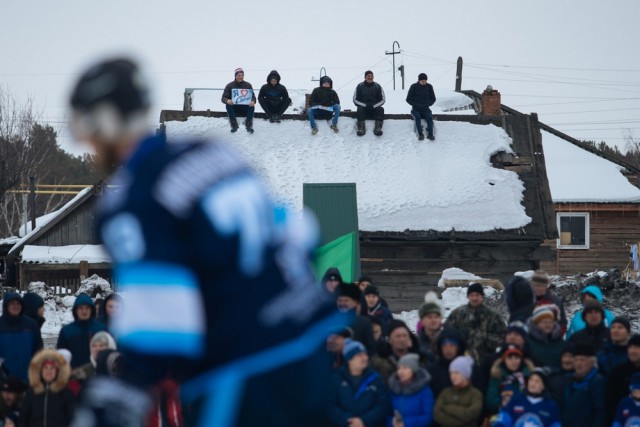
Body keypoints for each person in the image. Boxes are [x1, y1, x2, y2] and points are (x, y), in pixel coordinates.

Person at [68, 56, 340, 427]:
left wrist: (120, 393)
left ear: (104, 120)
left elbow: (161, 328)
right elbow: (303, 232)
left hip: (244, 366)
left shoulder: (134, 197)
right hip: (310, 341)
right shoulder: (214, 152)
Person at [327, 339, 390, 427]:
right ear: (349, 359)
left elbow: (383, 405)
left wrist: (363, 420)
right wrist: (349, 421)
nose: (365, 358)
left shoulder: (375, 378)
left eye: (365, 354)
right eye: (359, 355)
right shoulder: (336, 378)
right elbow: (330, 406)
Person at [444, 283, 506, 365]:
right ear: (468, 296)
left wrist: (483, 338)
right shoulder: (458, 314)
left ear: (482, 296)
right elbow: (447, 333)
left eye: (477, 295)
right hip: (461, 361)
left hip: (486, 361)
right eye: (471, 295)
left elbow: (502, 337)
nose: (474, 298)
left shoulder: (493, 316)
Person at [19, 349, 75, 427]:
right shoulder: (31, 393)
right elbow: (23, 418)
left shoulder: (66, 393)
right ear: (40, 371)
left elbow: (72, 419)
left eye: (52, 368)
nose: (48, 371)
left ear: (57, 371)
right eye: (45, 368)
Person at [492, 368, 561, 427]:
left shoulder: (551, 405)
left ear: (543, 386)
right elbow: (503, 420)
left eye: (537, 381)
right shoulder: (516, 399)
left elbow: (555, 424)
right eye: (531, 380)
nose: (533, 383)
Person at [560, 342, 606, 427]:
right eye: (576, 360)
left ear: (592, 362)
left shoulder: (597, 382)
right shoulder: (569, 380)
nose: (578, 363)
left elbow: (600, 412)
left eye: (582, 360)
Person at [56, 293, 107, 369]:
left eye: (87, 308)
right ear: (76, 310)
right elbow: (60, 356)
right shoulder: (67, 331)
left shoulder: (101, 329)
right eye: (81, 308)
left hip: (97, 374)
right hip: (73, 375)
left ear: (92, 310)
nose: (84, 311)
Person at [0, 292, 43, 382]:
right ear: (6, 306)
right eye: (12, 303)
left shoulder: (31, 325)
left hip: (28, 379)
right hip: (5, 382)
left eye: (18, 303)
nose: (16, 306)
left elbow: (38, 350)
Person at [433, 356, 483, 427]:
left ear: (466, 374)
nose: (453, 376)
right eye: (451, 373)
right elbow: (437, 414)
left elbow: (470, 415)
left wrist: (448, 408)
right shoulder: (445, 392)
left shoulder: (475, 394)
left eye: (457, 372)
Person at [387, 353, 435, 427]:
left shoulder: (424, 391)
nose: (401, 372)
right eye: (399, 368)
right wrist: (392, 422)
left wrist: (405, 423)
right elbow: (386, 413)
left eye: (405, 368)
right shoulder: (393, 389)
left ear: (413, 370)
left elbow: (428, 417)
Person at [485, 344, 535, 415]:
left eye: (517, 358)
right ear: (504, 360)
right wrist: (502, 401)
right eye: (510, 358)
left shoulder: (528, 375)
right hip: (502, 413)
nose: (513, 361)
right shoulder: (497, 375)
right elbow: (490, 402)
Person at [336, 283, 376, 355]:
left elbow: (371, 348)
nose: (342, 304)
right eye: (340, 300)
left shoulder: (364, 323)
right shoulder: (329, 322)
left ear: (355, 302)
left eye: (346, 301)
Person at [607, 335, 640, 421]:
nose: (633, 351)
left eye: (637, 347)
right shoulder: (617, 373)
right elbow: (610, 402)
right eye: (630, 347)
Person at [526, 304, 564, 370]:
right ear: (536, 323)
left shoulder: (560, 342)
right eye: (544, 322)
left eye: (550, 322)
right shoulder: (528, 342)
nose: (548, 324)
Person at [221, 67, 256, 133]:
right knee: (228, 105)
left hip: (245, 108)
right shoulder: (229, 85)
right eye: (239, 75)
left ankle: (248, 125)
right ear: (235, 76)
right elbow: (223, 98)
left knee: (252, 106)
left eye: (242, 75)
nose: (241, 77)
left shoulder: (248, 85)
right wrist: (227, 101)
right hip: (234, 108)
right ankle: (234, 125)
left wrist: (253, 101)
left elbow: (253, 97)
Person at [353, 70, 385, 137]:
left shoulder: (378, 86)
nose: (370, 77)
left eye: (371, 76)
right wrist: (365, 105)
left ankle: (378, 128)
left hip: (375, 109)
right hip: (363, 109)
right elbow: (355, 99)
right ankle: (361, 128)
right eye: (368, 76)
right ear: (365, 77)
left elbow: (383, 99)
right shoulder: (359, 86)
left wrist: (373, 106)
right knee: (360, 109)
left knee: (380, 109)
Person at [406, 73, 436, 141]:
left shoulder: (429, 87)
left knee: (429, 117)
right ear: (419, 80)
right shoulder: (413, 87)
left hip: (426, 108)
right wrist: (416, 105)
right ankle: (420, 134)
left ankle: (431, 134)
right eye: (422, 81)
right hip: (416, 109)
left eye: (425, 81)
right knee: (417, 117)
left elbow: (433, 99)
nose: (424, 82)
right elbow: (408, 99)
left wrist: (428, 104)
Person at [416, 292, 443, 360]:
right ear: (422, 320)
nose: (433, 320)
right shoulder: (415, 344)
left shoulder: (447, 340)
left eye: (436, 317)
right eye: (429, 317)